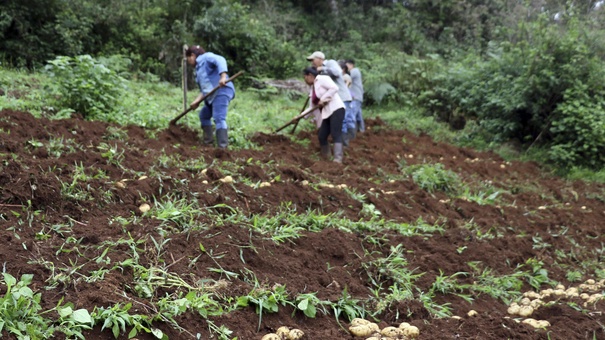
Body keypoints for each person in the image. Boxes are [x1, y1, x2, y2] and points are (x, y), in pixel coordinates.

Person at [185, 45, 235, 149]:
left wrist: (223, 77)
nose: (188, 62)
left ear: (192, 55)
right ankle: (208, 143)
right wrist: (196, 102)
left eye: (188, 58)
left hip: (222, 90)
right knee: (204, 115)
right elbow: (205, 90)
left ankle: (222, 147)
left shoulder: (206, 57)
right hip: (212, 95)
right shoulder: (198, 70)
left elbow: (220, 59)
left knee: (219, 117)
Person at [307, 51, 353, 143]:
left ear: (320, 59)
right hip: (332, 100)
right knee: (331, 122)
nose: (312, 62)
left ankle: (344, 144)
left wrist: (322, 68)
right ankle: (338, 142)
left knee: (342, 122)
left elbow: (337, 72)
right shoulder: (318, 72)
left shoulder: (330, 63)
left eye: (313, 60)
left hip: (342, 96)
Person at [302, 66, 346, 163]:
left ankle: (337, 159)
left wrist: (324, 98)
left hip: (336, 108)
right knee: (322, 135)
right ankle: (326, 157)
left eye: (305, 77)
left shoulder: (322, 78)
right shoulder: (313, 88)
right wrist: (299, 116)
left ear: (310, 75)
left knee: (336, 133)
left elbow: (334, 88)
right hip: (327, 113)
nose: (305, 80)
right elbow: (311, 107)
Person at [338, 60, 356, 146]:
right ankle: (349, 138)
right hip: (345, 98)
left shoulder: (345, 77)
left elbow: (345, 88)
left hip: (345, 98)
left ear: (343, 69)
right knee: (347, 118)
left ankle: (346, 141)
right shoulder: (342, 76)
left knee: (345, 119)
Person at [346, 59, 365, 132]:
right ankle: (361, 130)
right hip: (356, 96)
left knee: (352, 114)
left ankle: (352, 132)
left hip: (356, 96)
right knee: (358, 115)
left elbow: (346, 77)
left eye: (347, 65)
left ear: (351, 65)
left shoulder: (354, 71)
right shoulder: (354, 72)